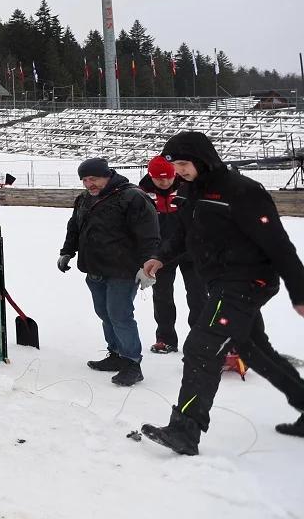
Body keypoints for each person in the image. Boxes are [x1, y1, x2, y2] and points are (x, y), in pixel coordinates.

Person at [140, 132, 304, 455]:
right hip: (219, 281)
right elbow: (184, 234)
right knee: (254, 350)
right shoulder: (189, 193)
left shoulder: (242, 192)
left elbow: (279, 244)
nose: (180, 172)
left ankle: (185, 430)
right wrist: (161, 255)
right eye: (176, 166)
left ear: (202, 160)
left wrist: (299, 291)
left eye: (184, 165)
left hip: (247, 281)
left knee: (202, 346)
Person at [58, 157, 160, 387]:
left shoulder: (132, 197)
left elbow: (149, 234)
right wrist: (67, 251)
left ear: (107, 175)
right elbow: (74, 226)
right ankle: (116, 354)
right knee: (104, 313)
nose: (89, 184)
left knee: (120, 315)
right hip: (95, 267)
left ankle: (132, 363)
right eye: (84, 180)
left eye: (93, 178)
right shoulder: (84, 199)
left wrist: (148, 265)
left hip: (123, 270)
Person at [139, 155, 207, 353]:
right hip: (160, 255)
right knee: (162, 297)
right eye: (158, 178)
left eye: (168, 177)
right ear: (150, 175)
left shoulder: (189, 188)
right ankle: (165, 338)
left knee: (198, 296)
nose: (164, 181)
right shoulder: (141, 193)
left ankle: (200, 339)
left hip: (191, 251)